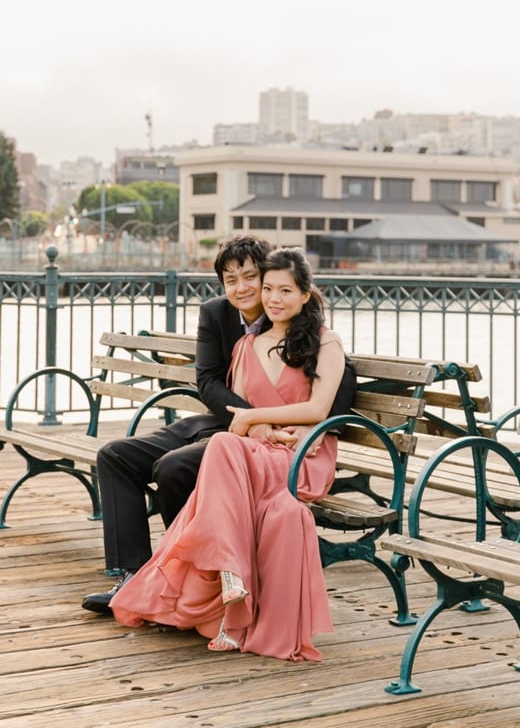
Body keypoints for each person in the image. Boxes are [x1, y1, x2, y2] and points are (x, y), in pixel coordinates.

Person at [81, 235, 356, 614]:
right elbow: (208, 380)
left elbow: (341, 379)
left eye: (251, 277)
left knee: (174, 468)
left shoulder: (295, 316)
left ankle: (190, 577)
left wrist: (318, 428)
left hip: (263, 440)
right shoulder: (216, 313)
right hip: (226, 422)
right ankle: (133, 573)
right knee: (115, 455)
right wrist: (250, 420)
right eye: (231, 280)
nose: (243, 288)